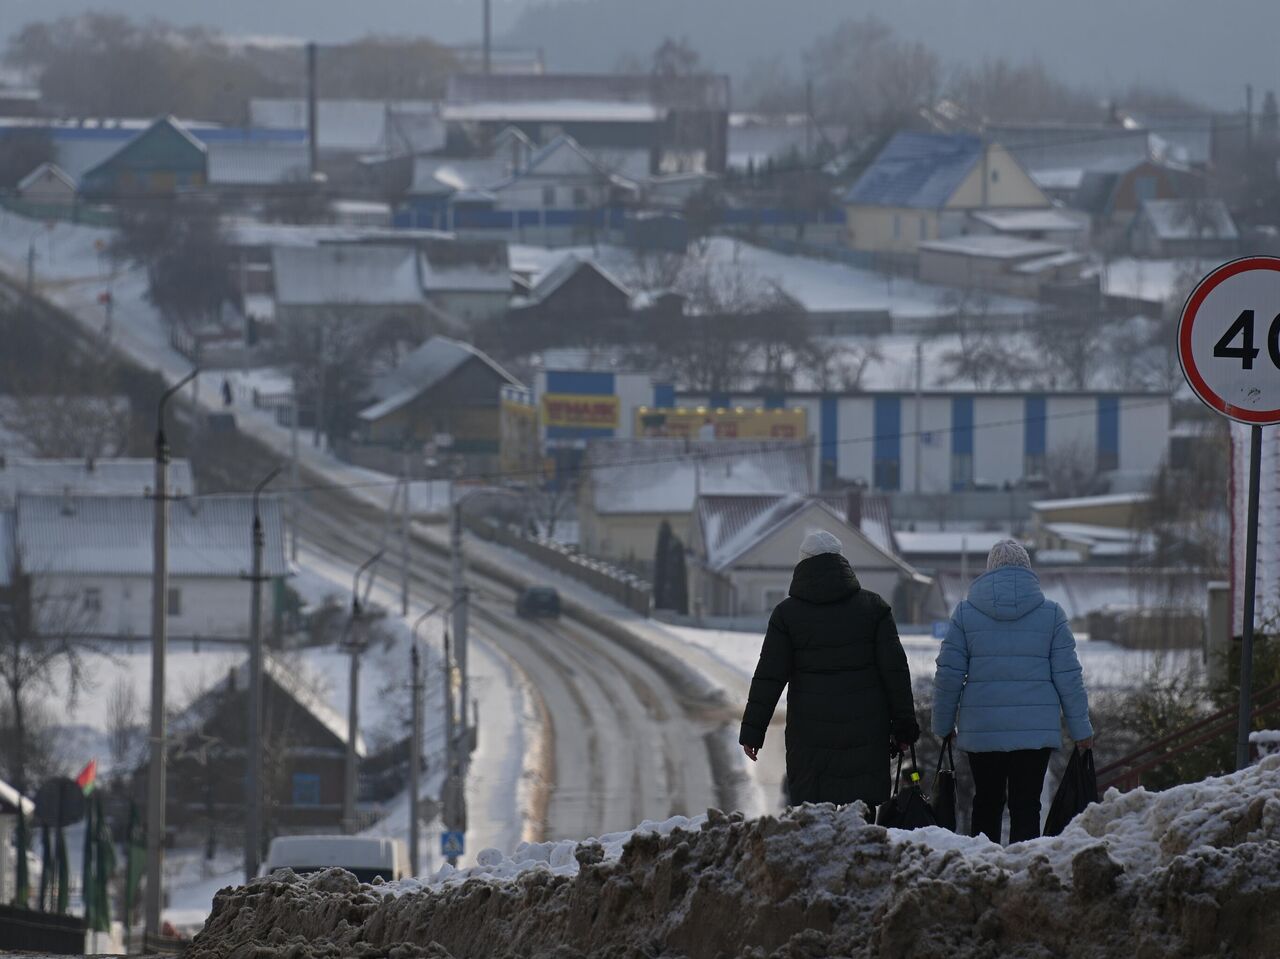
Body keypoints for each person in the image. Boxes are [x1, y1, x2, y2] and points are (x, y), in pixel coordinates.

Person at [739, 529, 919, 810]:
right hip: (866, 737)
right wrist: (905, 727)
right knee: (864, 830)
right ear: (841, 562)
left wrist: (753, 732)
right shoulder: (874, 609)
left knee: (814, 828)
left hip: (810, 741)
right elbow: (895, 672)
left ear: (802, 565)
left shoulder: (787, 615)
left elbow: (769, 677)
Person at [931, 539, 1094, 845]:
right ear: (1027, 570)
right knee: (1026, 805)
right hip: (1034, 732)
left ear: (990, 571)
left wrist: (941, 725)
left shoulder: (965, 614)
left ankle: (982, 872)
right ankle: (1025, 872)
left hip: (983, 729)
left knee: (986, 802)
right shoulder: (1052, 614)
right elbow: (1069, 677)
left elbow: (948, 675)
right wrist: (1081, 730)